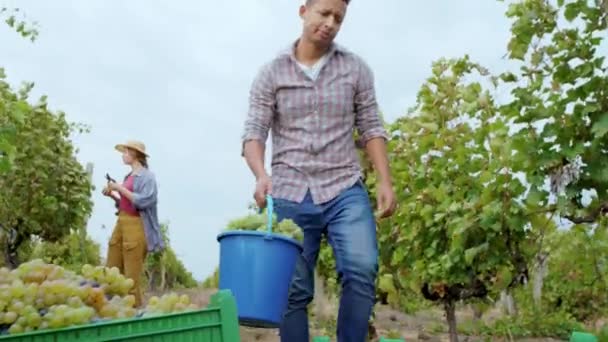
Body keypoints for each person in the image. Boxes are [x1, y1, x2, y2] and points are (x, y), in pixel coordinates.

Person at [241, 0, 396, 340]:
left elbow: (371, 127)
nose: (330, 22)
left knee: (362, 269)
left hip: (343, 187)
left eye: (338, 18)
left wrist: (385, 180)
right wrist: (261, 174)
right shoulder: (271, 73)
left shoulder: (355, 69)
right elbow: (254, 132)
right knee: (292, 288)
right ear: (303, 11)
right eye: (324, 13)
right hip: (290, 190)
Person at [102, 140, 164, 307]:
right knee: (111, 271)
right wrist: (113, 195)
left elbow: (144, 201)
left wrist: (119, 188)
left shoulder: (147, 177)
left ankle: (134, 313)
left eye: (125, 152)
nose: (123, 155)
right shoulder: (128, 177)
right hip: (121, 222)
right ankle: (111, 310)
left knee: (131, 278)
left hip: (136, 226)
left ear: (135, 154)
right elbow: (125, 203)